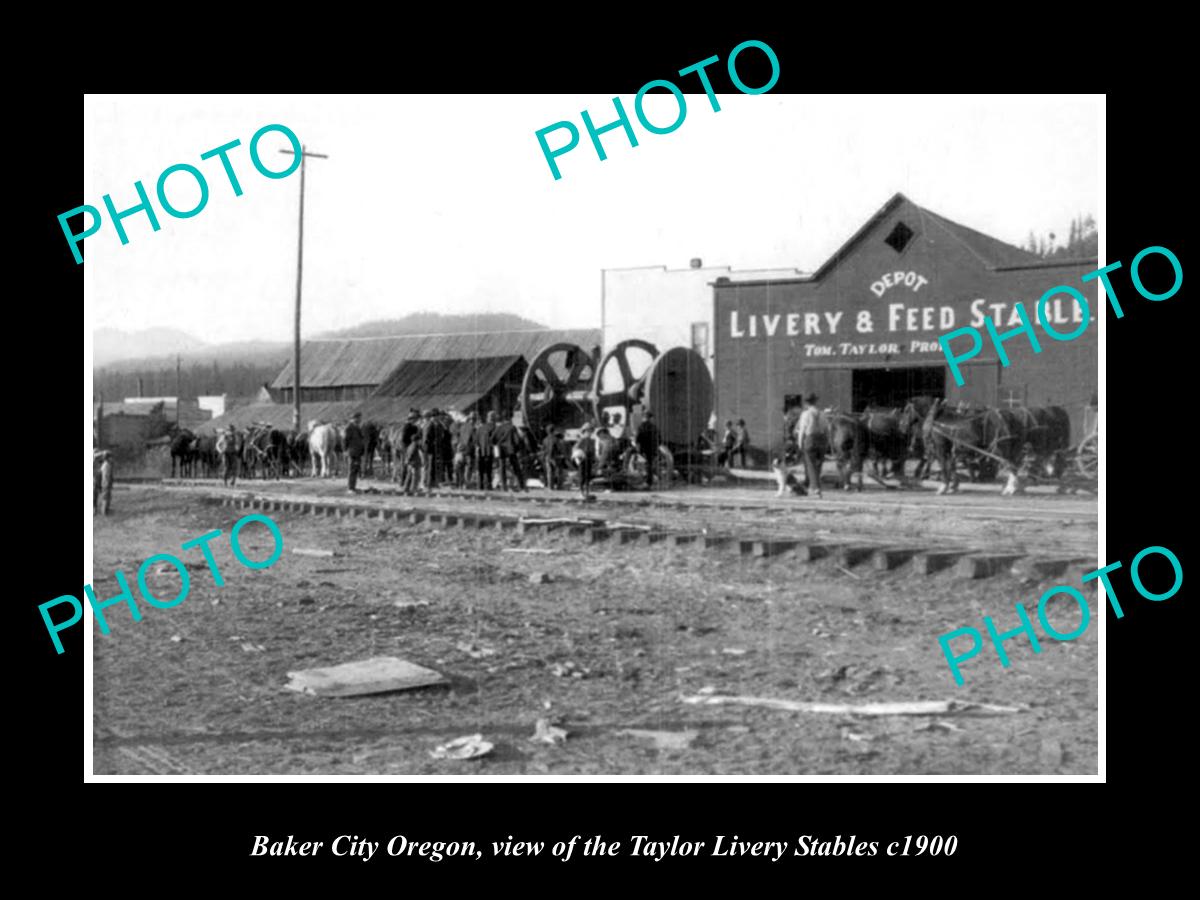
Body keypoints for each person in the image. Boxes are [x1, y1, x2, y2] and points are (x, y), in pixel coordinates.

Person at [795, 394, 827, 499]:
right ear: (816, 402)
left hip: (811, 439)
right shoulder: (822, 414)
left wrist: (800, 443)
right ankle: (815, 486)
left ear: (807, 403)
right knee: (818, 465)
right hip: (822, 439)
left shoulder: (805, 414)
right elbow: (827, 428)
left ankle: (816, 488)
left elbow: (802, 430)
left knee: (810, 465)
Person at [494, 413, 528, 491]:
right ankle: (521, 485)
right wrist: (517, 448)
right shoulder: (512, 428)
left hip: (501, 449)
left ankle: (503, 486)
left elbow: (493, 438)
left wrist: (498, 444)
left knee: (502, 468)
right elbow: (517, 439)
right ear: (509, 419)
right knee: (516, 467)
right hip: (511, 449)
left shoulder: (499, 428)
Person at [636, 411, 662, 489]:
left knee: (646, 466)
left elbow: (638, 438)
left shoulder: (641, 426)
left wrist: (639, 448)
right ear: (651, 418)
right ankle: (651, 480)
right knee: (650, 465)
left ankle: (647, 482)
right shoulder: (654, 427)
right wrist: (656, 446)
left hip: (644, 448)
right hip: (652, 448)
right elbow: (659, 438)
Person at [344, 412, 366, 493]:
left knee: (355, 469)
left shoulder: (356, 427)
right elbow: (345, 440)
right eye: (359, 418)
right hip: (352, 452)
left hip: (357, 452)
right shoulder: (349, 428)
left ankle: (353, 487)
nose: (360, 420)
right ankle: (350, 488)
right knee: (352, 470)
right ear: (355, 418)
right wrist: (346, 450)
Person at [474, 411, 497, 490]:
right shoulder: (494, 427)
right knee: (489, 469)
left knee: (481, 470)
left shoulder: (480, 428)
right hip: (489, 451)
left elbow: (476, 441)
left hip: (481, 451)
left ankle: (480, 486)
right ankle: (489, 485)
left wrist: (477, 450)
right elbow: (496, 441)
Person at [453, 412, 477, 488]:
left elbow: (456, 437)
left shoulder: (462, 427)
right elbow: (474, 440)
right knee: (468, 468)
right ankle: (466, 484)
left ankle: (460, 484)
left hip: (460, 450)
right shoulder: (473, 428)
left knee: (460, 469)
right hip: (468, 451)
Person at [573, 422, 596, 499]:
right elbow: (575, 449)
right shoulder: (582, 440)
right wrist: (579, 456)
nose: (589, 432)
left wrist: (594, 459)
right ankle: (581, 492)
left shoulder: (592, 440)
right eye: (588, 431)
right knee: (582, 476)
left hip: (589, 460)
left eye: (590, 431)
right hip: (582, 460)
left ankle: (587, 492)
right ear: (584, 431)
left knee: (588, 477)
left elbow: (593, 451)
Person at [541, 425, 565, 490]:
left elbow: (543, 450)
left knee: (549, 472)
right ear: (553, 430)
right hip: (556, 457)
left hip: (547, 457)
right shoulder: (556, 439)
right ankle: (559, 486)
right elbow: (559, 448)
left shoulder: (544, 440)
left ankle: (550, 487)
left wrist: (543, 457)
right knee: (559, 472)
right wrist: (562, 455)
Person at [94, 450, 114, 515]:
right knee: (105, 497)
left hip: (105, 484)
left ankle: (105, 510)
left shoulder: (106, 464)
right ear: (107, 458)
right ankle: (104, 511)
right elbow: (106, 476)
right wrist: (107, 484)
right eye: (111, 457)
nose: (112, 459)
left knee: (107, 497)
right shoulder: (106, 465)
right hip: (105, 484)